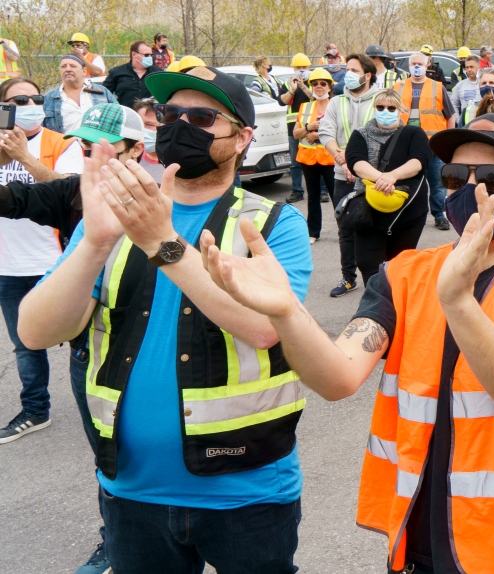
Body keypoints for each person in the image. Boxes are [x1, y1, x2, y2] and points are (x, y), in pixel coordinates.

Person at [201, 112, 494, 574]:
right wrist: (287, 312)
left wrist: (457, 300)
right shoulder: (404, 274)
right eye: (457, 177)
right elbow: (337, 378)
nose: (472, 190)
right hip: (418, 537)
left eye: (493, 177)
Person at [19, 66, 313, 573]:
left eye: (201, 117)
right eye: (169, 114)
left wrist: (162, 241)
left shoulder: (272, 224)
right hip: (130, 495)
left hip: (248, 496)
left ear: (242, 138)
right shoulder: (115, 217)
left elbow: (265, 329)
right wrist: (94, 242)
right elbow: (37, 331)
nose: (179, 125)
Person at [0, 100, 143, 574]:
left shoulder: (171, 197)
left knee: (161, 453)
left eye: (104, 150)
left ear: (137, 152)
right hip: (92, 352)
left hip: (158, 349)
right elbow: (11, 201)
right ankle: (115, 540)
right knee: (109, 457)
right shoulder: (74, 194)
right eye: (84, 149)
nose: (92, 161)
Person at [0, 78, 83, 444]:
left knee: (83, 339)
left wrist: (24, 157)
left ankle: (101, 407)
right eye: (20, 99)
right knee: (25, 344)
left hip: (57, 260)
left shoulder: (61, 142)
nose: (31, 103)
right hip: (9, 263)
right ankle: (35, 410)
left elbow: (69, 191)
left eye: (36, 97)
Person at [345, 88, 430, 282]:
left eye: (391, 108)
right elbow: (356, 161)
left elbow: (420, 161)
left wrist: (393, 176)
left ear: (400, 110)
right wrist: (382, 179)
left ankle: (397, 309)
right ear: (374, 108)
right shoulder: (361, 134)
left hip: (407, 212)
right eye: (381, 107)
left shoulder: (414, 133)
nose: (386, 111)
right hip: (369, 211)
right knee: (369, 266)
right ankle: (376, 308)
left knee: (401, 266)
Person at [319, 53, 380, 297]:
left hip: (372, 175)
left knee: (372, 226)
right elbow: (326, 132)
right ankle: (348, 277)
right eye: (347, 70)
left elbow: (380, 134)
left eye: (354, 70)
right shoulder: (337, 102)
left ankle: (376, 280)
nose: (348, 74)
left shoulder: (379, 100)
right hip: (341, 173)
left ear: (367, 75)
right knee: (345, 227)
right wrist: (341, 157)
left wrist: (357, 163)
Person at [398, 51, 456, 231]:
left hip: (433, 144)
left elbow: (450, 115)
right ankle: (412, 214)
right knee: (411, 181)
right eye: (413, 63)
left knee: (437, 183)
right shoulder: (398, 86)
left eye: (419, 64)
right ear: (408, 66)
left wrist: (449, 141)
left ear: (427, 65)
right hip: (407, 143)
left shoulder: (437, 87)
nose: (416, 67)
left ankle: (439, 215)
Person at [292, 68, 337, 244]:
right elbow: (296, 134)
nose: (319, 86)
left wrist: (317, 135)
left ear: (329, 87)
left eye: (323, 83)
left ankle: (345, 230)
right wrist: (309, 128)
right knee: (313, 196)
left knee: (336, 195)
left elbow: (341, 131)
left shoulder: (336, 105)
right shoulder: (305, 107)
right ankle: (313, 232)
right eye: (315, 83)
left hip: (330, 157)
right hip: (308, 158)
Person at [42, 55, 117, 134]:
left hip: (98, 144)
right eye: (63, 66)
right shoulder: (49, 98)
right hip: (65, 145)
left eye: (73, 66)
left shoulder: (102, 92)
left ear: (84, 71)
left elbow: (118, 118)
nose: (68, 69)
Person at [282, 52, 317, 204]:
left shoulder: (316, 82)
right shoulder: (287, 83)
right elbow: (282, 101)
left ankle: (321, 191)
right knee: (295, 162)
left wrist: (303, 86)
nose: (301, 69)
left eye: (304, 67)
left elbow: (316, 98)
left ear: (309, 67)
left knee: (317, 159)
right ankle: (297, 191)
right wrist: (292, 89)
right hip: (294, 128)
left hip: (313, 126)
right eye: (298, 67)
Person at [104, 40, 161, 107]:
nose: (149, 57)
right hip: (125, 114)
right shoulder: (117, 72)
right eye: (146, 55)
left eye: (151, 55)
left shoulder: (158, 73)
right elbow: (104, 93)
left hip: (150, 115)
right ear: (134, 54)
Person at [133, 97, 165, 182]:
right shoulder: (131, 158)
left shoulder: (180, 164)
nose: (143, 129)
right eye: (139, 123)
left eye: (149, 125)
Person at [451, 55, 480, 124]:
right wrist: (458, 120)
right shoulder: (460, 85)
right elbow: (453, 104)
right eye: (467, 67)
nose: (469, 70)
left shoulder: (485, 83)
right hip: (465, 125)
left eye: (471, 67)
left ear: (478, 67)